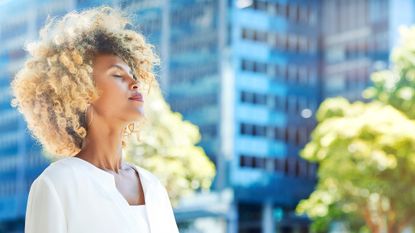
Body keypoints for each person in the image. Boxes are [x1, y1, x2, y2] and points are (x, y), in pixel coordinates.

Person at [11, 6, 179, 233]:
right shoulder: (57, 184)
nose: (135, 82)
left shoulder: (153, 187)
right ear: (81, 91)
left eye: (134, 75)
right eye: (117, 75)